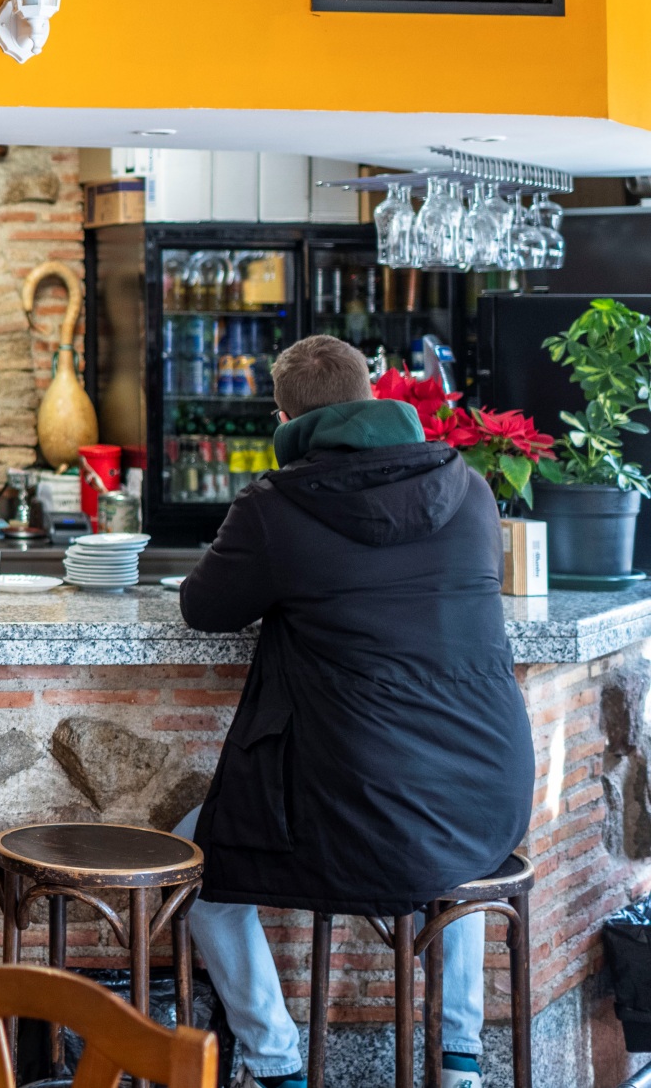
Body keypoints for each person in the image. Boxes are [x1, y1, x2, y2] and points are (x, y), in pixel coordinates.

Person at [178, 333, 533, 1088]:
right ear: (375, 399)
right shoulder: (469, 486)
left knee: (199, 873)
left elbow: (203, 607)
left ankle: (277, 1065)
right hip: (493, 788)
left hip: (358, 800)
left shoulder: (275, 506)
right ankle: (460, 1060)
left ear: (285, 416)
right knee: (456, 855)